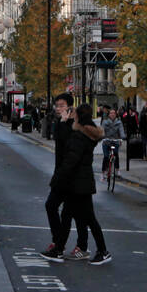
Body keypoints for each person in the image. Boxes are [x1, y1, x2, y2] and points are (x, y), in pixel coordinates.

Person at [48, 104, 112, 265]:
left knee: (89, 218)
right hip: (80, 182)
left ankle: (103, 251)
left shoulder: (79, 136)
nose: (72, 115)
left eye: (74, 113)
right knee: (68, 215)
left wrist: (59, 177)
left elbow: (71, 160)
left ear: (79, 116)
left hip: (78, 183)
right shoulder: (87, 134)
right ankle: (58, 250)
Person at [42, 93, 88, 261]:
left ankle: (74, 245)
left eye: (61, 105)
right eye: (57, 105)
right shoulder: (62, 123)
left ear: (69, 106)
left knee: (74, 212)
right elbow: (59, 143)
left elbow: (68, 144)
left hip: (70, 176)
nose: (58, 108)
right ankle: (60, 243)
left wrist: (63, 122)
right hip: (62, 173)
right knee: (58, 208)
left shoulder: (74, 124)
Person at [101, 107, 124, 180]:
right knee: (106, 156)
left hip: (115, 141)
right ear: (109, 115)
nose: (112, 114)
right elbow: (102, 131)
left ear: (116, 114)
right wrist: (102, 136)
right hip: (106, 142)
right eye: (111, 113)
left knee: (116, 154)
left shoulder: (119, 122)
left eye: (114, 113)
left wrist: (122, 137)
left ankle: (117, 170)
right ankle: (104, 172)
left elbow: (121, 130)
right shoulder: (105, 122)